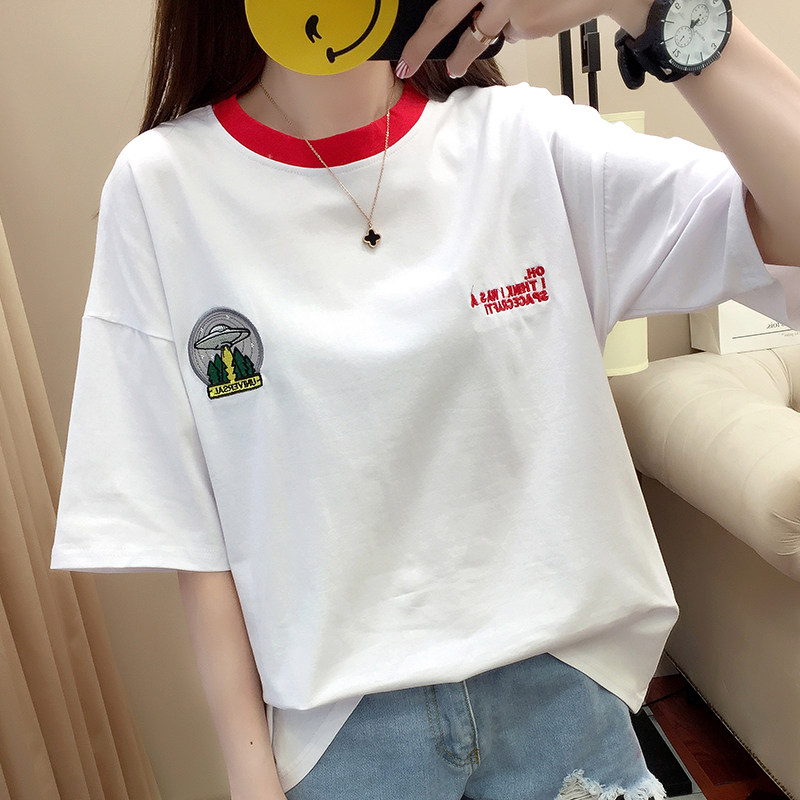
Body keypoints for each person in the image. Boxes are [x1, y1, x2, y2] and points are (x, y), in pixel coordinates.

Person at [50, 1, 800, 799]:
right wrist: (248, 772)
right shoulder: (163, 188)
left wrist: (651, 5)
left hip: (564, 704)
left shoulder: (524, 142)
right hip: (344, 742)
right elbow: (193, 527)